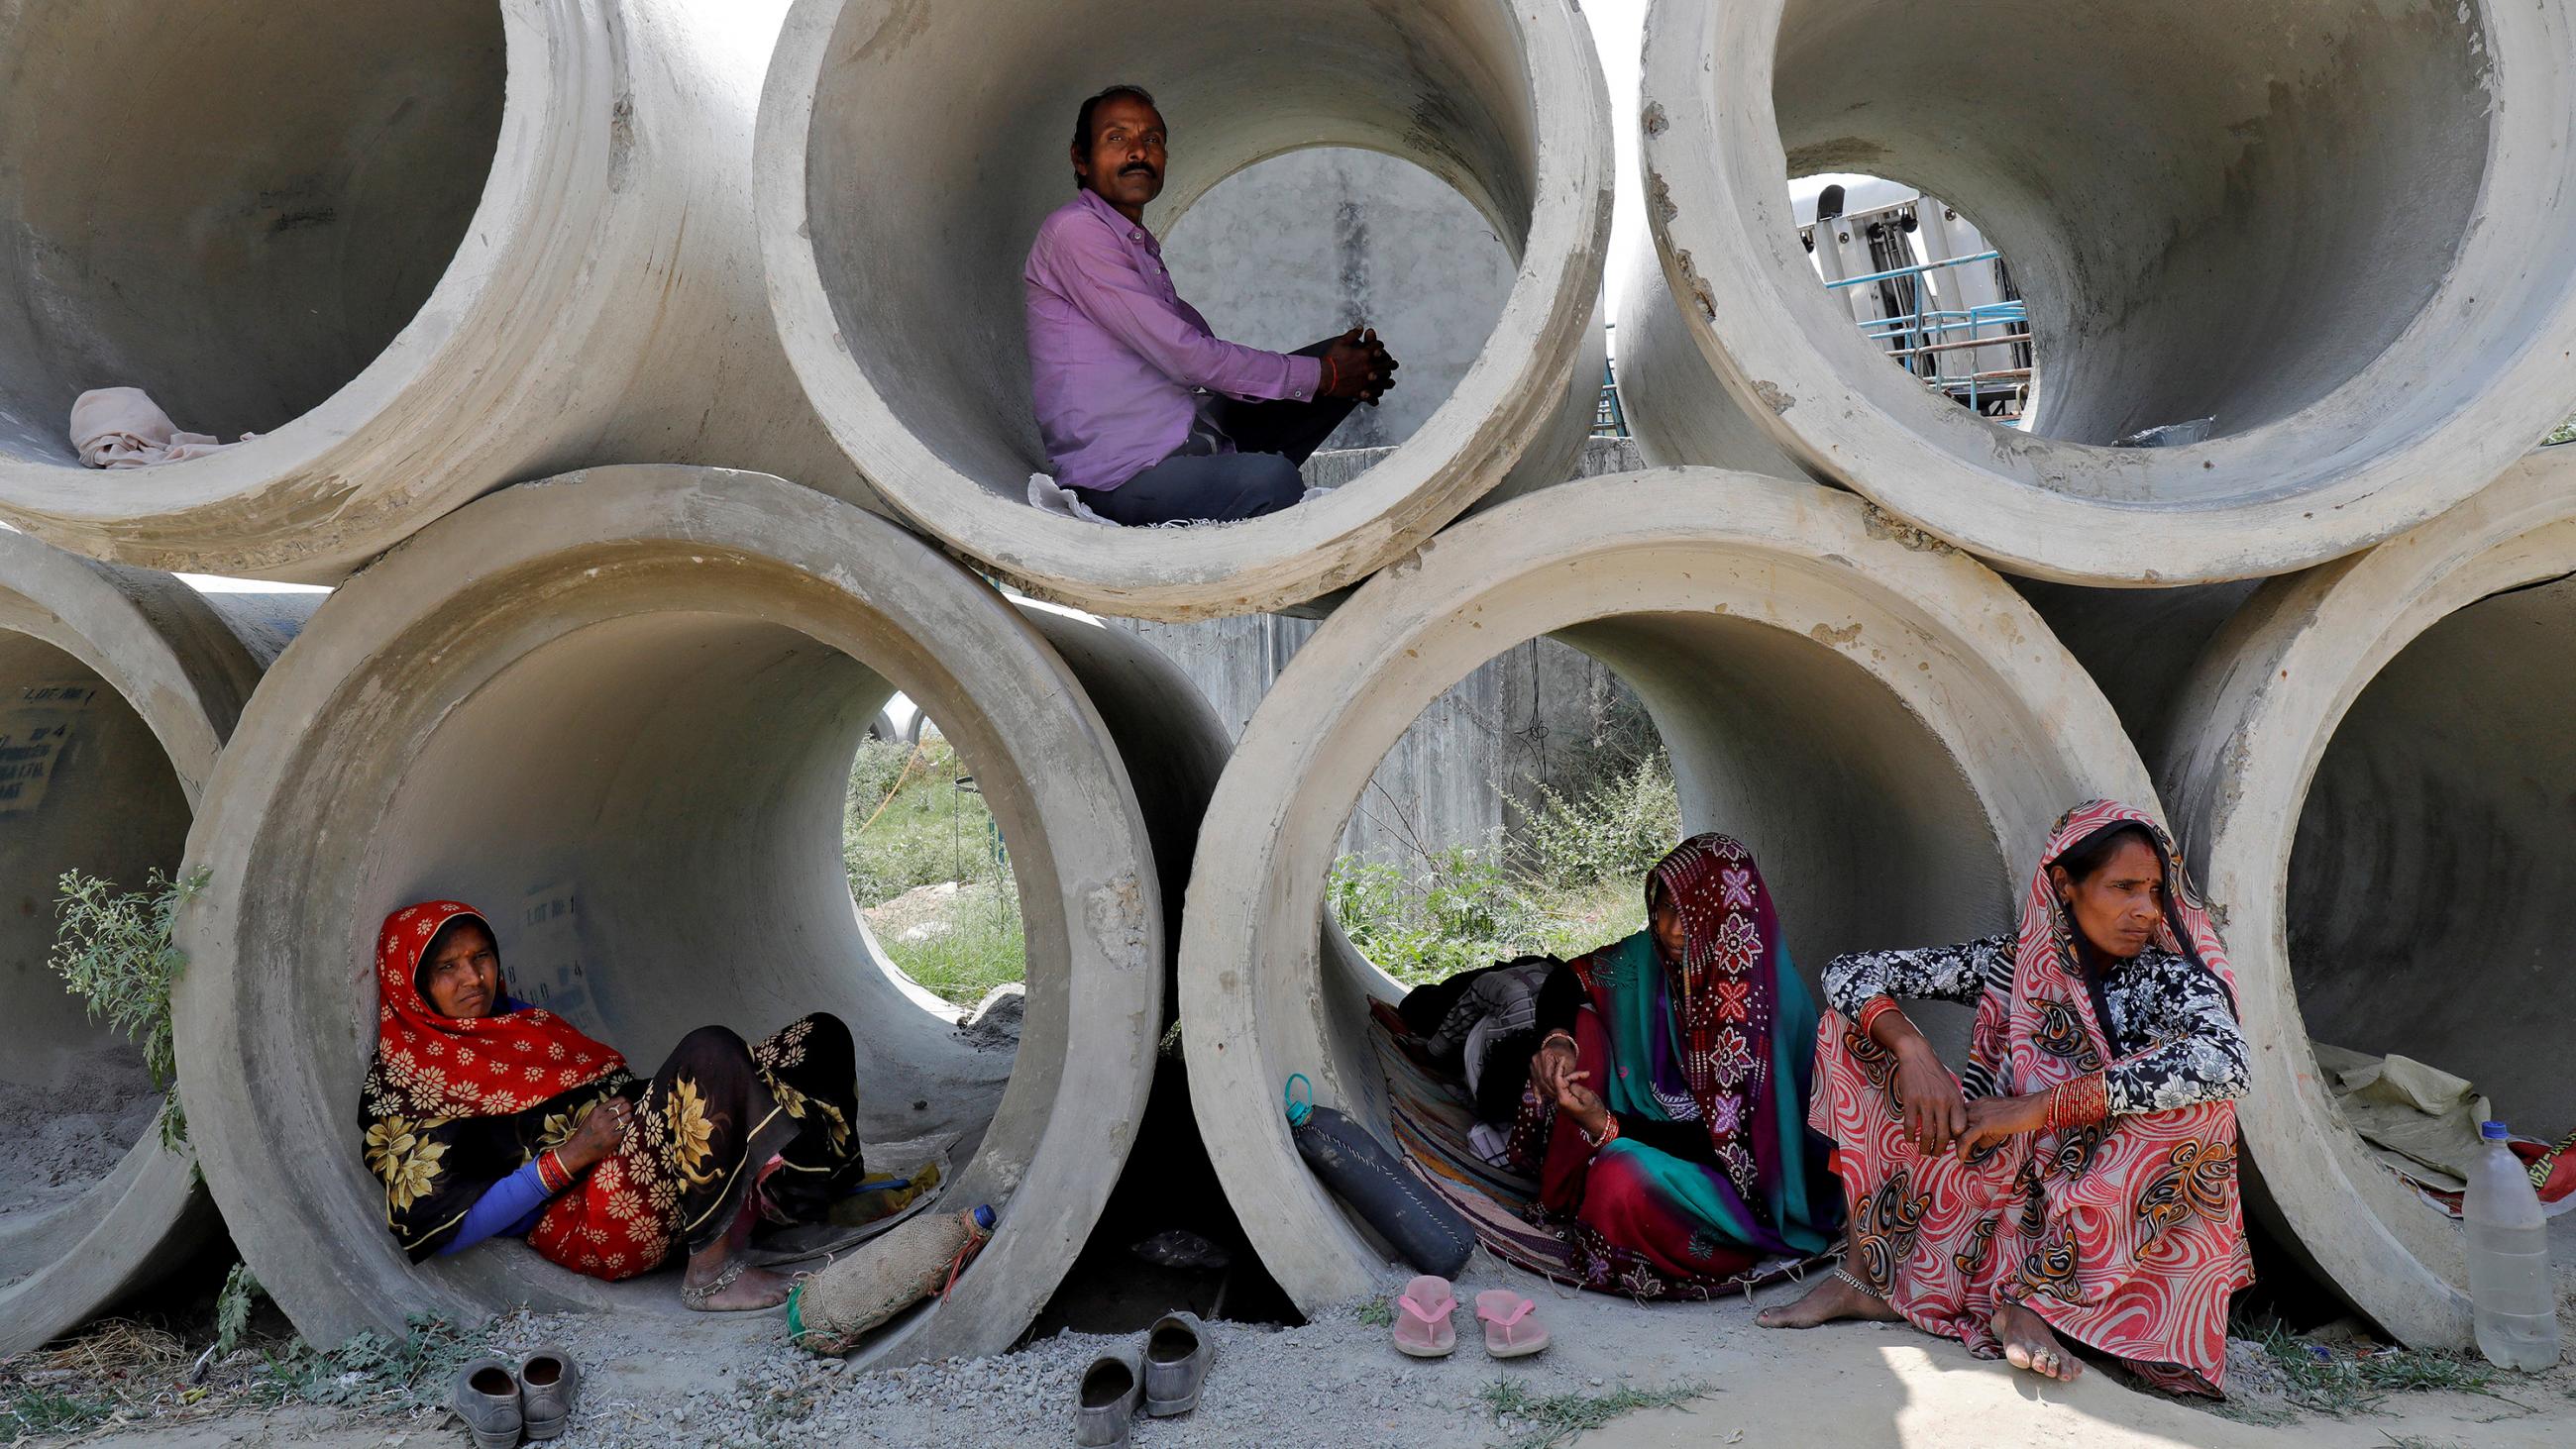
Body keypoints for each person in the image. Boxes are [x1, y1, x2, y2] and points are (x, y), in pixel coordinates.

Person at [1758, 801, 2253, 1397]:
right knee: (1849, 1029)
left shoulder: (2163, 976)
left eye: (2152, 889)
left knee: (2200, 1111)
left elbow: (2225, 1061)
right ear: (2065, 886)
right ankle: (1864, 1278)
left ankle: (2035, 1303)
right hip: (1993, 1190)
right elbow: (1849, 972)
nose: (2145, 910)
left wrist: (2040, 1107)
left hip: (2100, 1205)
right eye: (2123, 887)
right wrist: (1912, 1050)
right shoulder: (2012, 963)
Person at [358, 900, 867, 1311]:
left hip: (631, 1154)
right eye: (447, 967)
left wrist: (662, 1101)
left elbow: (607, 1090)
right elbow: (438, 1232)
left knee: (818, 1038)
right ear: (412, 985)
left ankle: (790, 1199)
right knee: (709, 1051)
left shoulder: (517, 1023)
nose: (472, 978)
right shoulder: (409, 1082)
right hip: (594, 1220)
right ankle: (711, 1275)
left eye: (481, 957)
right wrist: (570, 1158)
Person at [1023, 83, 1399, 526]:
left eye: (1152, 140)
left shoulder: (1136, 245)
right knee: (1273, 479)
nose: (1138, 152)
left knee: (1354, 360)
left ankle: (1233, 478)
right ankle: (1248, 490)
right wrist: (1322, 376)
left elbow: (1206, 356)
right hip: (1121, 478)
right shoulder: (1075, 232)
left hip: (1190, 435)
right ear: (1080, 159)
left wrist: (1334, 371)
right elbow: (1188, 355)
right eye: (1116, 138)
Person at [1510, 835, 1842, 1296]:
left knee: (1620, 1178)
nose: (1671, 929)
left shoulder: (1753, 1012)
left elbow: (1728, 1154)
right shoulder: (1653, 960)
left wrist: (1605, 1126)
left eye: (1693, 912)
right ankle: (1563, 1198)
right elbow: (1568, 977)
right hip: (1638, 1130)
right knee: (1582, 1029)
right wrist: (1558, 1042)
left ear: (1730, 915)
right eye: (1665, 908)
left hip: (1735, 1186)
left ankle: (1646, 1222)